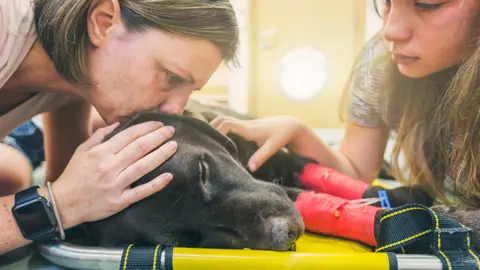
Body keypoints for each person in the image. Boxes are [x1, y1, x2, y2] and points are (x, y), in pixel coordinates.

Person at [0, 0, 239, 254]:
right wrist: (59, 204)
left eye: (190, 91)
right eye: (172, 76)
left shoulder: (78, 81)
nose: (175, 111)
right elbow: (62, 197)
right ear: (103, 22)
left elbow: (64, 180)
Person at [211, 0, 480, 208]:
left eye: (426, 4)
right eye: (386, 2)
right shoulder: (381, 63)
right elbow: (357, 173)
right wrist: (297, 130)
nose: (391, 31)